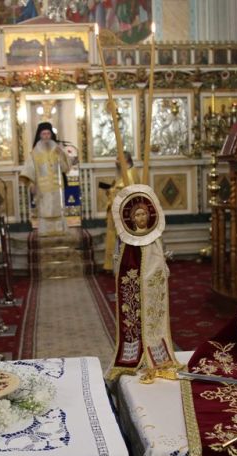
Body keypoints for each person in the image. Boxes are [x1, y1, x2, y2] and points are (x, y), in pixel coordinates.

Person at [109, 185, 177, 382]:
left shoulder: (156, 237)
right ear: (132, 218)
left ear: (149, 215)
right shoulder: (127, 241)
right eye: (137, 215)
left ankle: (156, 352)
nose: (141, 218)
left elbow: (160, 260)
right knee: (133, 315)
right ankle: (134, 352)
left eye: (144, 214)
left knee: (154, 317)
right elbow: (122, 266)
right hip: (136, 287)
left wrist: (162, 268)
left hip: (154, 288)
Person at [19, 122, 71, 236]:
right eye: (44, 134)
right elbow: (29, 169)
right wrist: (31, 184)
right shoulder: (35, 152)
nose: (46, 136)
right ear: (40, 135)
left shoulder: (57, 149)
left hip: (57, 186)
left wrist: (62, 155)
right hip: (42, 187)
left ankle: (60, 230)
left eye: (48, 134)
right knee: (45, 210)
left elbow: (65, 168)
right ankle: (45, 231)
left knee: (58, 209)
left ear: (51, 135)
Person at [103, 152, 137, 272]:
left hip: (124, 212)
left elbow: (125, 192)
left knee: (121, 238)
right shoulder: (125, 173)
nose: (115, 162)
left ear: (125, 160)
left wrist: (111, 191)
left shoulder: (129, 174)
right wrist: (111, 190)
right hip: (118, 211)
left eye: (118, 159)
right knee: (117, 238)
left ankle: (123, 266)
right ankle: (116, 266)